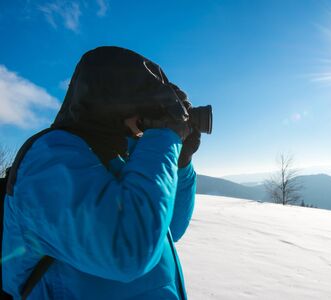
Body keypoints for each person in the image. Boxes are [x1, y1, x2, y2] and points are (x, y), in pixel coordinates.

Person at [2, 46, 200, 299]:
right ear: (116, 103)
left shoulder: (124, 157)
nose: (147, 121)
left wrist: (181, 164)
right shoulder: (49, 158)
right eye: (149, 110)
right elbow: (127, 252)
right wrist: (162, 138)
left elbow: (170, 228)